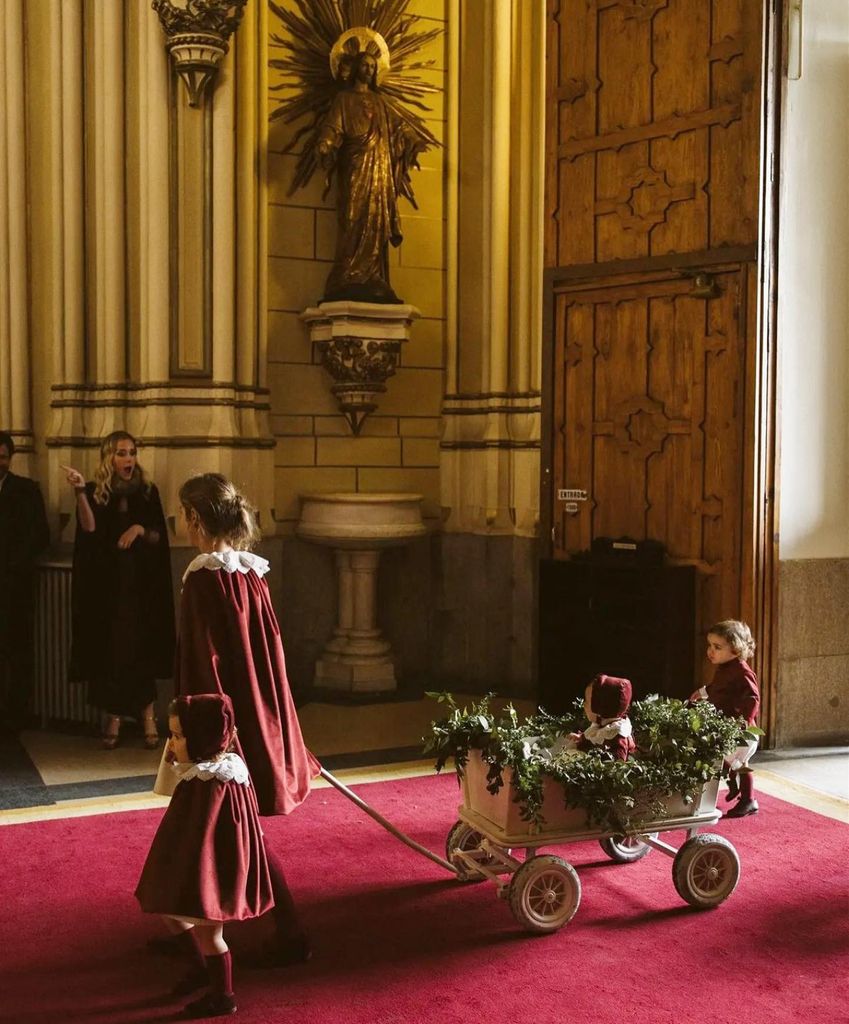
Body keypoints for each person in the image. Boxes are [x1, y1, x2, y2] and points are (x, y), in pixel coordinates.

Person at [170, 472, 319, 966]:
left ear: (195, 519)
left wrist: (198, 730)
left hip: (220, 723)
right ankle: (195, 924)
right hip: (255, 713)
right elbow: (268, 656)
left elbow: (201, 660)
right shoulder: (251, 573)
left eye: (183, 515)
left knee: (215, 824)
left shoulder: (202, 578)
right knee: (217, 825)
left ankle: (284, 931)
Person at [137, 693, 272, 1019]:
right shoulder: (206, 769)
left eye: (180, 736)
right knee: (168, 909)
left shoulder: (213, 781)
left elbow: (207, 834)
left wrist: (186, 865)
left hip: (209, 867)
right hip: (190, 858)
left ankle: (222, 995)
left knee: (210, 933)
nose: (172, 744)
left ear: (202, 735)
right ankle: (200, 968)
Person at [63, 431, 175, 749]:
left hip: (142, 587)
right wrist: (79, 492)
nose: (129, 459)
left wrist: (140, 529)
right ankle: (114, 715)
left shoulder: (148, 491)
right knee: (114, 651)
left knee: (142, 649)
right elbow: (89, 529)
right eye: (122, 453)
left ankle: (148, 716)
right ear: (109, 458)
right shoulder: (99, 491)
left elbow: (158, 536)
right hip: (109, 587)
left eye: (132, 453)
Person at [316, 48, 426, 303]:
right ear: (355, 68)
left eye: (372, 67)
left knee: (376, 218)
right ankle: (348, 273)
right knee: (353, 215)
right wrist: (326, 143)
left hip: (380, 166)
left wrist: (412, 140)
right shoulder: (343, 99)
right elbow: (333, 127)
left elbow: (399, 128)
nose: (368, 70)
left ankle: (372, 275)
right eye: (364, 65)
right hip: (355, 166)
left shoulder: (381, 103)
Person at [0, 432, 50, 731]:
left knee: (17, 650)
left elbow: (40, 534)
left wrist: (14, 564)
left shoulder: (27, 490)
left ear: (10, 457)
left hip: (14, 585)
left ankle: (14, 716)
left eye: (3, 456)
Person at [689, 620, 761, 818]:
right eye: (710, 645)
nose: (710, 651)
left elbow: (752, 697)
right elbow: (719, 687)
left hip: (741, 731)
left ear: (736, 650)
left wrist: (744, 722)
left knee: (725, 761)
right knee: (737, 764)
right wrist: (702, 692)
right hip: (730, 728)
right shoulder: (726, 668)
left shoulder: (742, 671)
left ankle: (742, 794)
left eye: (717, 647)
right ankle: (746, 798)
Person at [571, 674, 636, 761]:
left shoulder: (617, 735)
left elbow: (616, 765)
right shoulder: (602, 725)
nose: (584, 705)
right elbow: (595, 736)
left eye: (588, 701)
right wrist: (581, 738)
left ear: (600, 709)